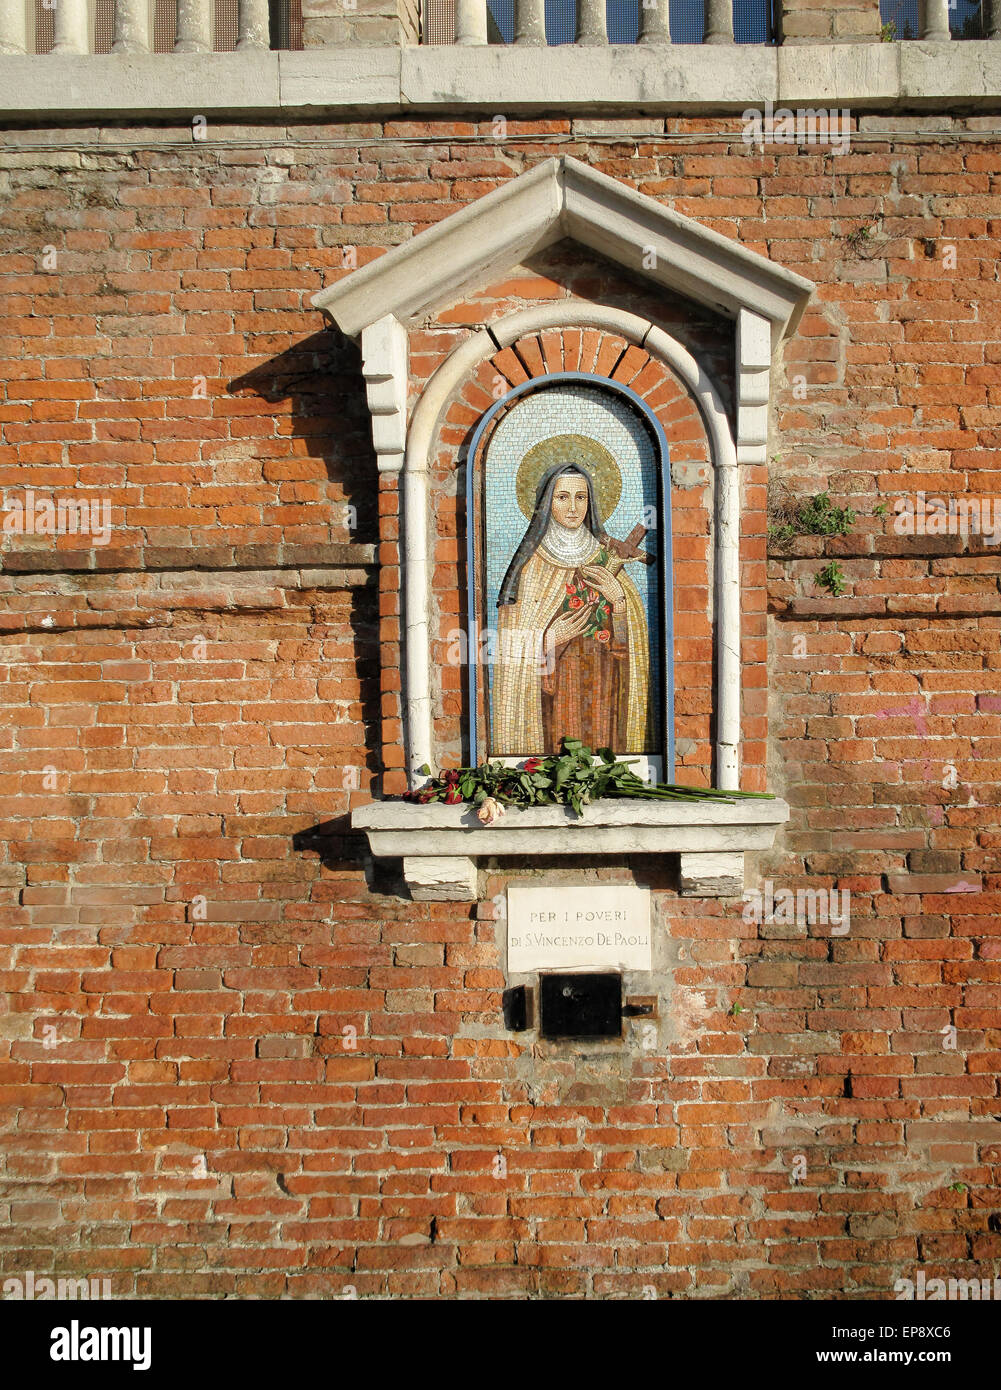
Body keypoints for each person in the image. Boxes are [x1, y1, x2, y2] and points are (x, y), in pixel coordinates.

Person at [491, 461, 652, 756]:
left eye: (581, 497)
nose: (573, 508)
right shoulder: (530, 567)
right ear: (547, 502)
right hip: (555, 691)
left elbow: (631, 645)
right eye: (562, 497)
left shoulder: (608, 559)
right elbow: (511, 650)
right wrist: (549, 638)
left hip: (603, 684)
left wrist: (618, 602)